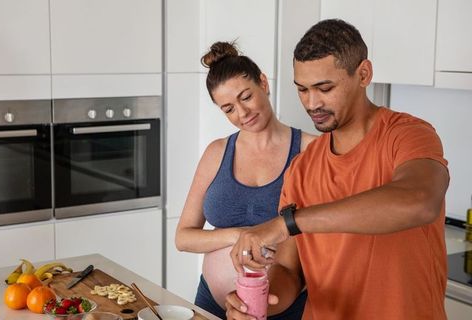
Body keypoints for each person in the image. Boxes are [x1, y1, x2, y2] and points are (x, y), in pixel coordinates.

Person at [226, 19, 450, 320]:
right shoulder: (303, 167)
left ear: (363, 74)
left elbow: (419, 201)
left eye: (325, 88)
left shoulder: (408, 135)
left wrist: (285, 224)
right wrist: (263, 300)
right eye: (302, 89)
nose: (312, 103)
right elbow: (291, 270)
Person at [175, 41, 316, 319]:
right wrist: (241, 236)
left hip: (282, 305)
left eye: (246, 97)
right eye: (228, 108)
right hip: (211, 303)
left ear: (263, 83)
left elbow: (325, 234)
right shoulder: (217, 152)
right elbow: (183, 237)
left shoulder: (310, 150)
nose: (242, 113)